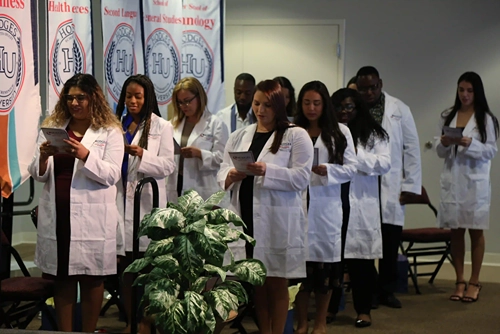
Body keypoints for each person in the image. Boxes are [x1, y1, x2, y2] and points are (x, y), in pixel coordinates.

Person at [28, 73, 124, 332]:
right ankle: (65, 332)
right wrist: (44, 157)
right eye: (70, 98)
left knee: (92, 278)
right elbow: (37, 173)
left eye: (81, 98)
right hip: (58, 214)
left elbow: (112, 174)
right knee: (63, 278)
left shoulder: (110, 132)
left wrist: (86, 155)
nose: (75, 103)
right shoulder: (55, 126)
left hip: (93, 218)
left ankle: (88, 330)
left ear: (94, 98)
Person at [218, 80, 313, 334]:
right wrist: (231, 175)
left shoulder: (295, 135)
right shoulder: (240, 135)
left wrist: (267, 171)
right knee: (256, 280)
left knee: (276, 280)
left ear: (279, 106)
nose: (260, 110)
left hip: (277, 219)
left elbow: (302, 177)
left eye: (267, 105)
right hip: (246, 215)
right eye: (257, 103)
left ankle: (278, 331)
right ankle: (265, 331)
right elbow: (222, 170)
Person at [293, 81, 357, 334]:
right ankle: (302, 322)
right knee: (299, 271)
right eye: (307, 103)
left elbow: (351, 168)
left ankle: (320, 322)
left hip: (326, 207)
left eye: (316, 103)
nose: (311, 108)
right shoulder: (292, 130)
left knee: (325, 269)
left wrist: (328, 170)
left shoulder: (340, 131)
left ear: (325, 104)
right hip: (297, 204)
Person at [356, 66, 421, 309]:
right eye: (364, 88)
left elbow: (412, 149)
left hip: (392, 186)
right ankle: (369, 291)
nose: (369, 92)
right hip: (363, 184)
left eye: (373, 87)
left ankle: (387, 291)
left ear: (380, 84)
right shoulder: (353, 110)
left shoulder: (399, 109)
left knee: (389, 240)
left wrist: (411, 184)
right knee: (364, 240)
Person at [115, 74, 176, 332]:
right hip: (120, 203)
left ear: (147, 97)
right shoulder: (115, 125)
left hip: (148, 204)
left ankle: (147, 322)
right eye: (128, 95)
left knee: (149, 269)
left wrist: (143, 154)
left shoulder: (162, 126)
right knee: (126, 268)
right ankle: (131, 320)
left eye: (137, 96)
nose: (132, 100)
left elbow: (168, 165)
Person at [436, 72, 498, 303]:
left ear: (477, 92)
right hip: (453, 181)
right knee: (456, 231)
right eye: (461, 89)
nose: (464, 94)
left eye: (469, 90)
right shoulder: (448, 116)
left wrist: (471, 144)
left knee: (475, 230)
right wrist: (442, 143)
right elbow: (441, 152)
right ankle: (459, 280)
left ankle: (474, 281)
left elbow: (491, 151)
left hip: (475, 183)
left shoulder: (486, 119)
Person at [332, 88, 391, 327]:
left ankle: (363, 309)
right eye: (340, 107)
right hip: (334, 202)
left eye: (350, 107)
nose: (345, 112)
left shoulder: (375, 134)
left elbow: (385, 163)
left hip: (361, 205)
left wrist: (355, 155)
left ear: (358, 109)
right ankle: (331, 308)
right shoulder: (329, 133)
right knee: (333, 261)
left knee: (361, 263)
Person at [166, 77, 229, 205]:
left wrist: (200, 154)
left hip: (204, 189)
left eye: (187, 101)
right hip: (176, 185)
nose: (184, 106)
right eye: (180, 102)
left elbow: (223, 159)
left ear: (199, 97)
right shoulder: (172, 124)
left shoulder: (215, 124)